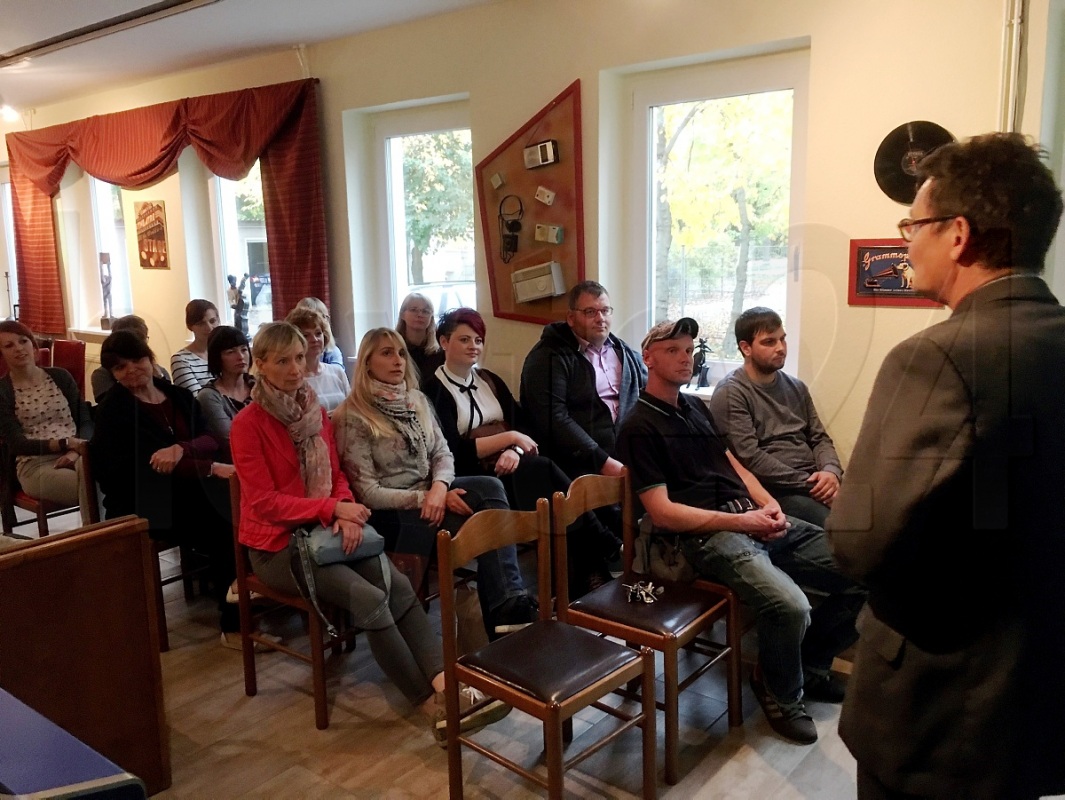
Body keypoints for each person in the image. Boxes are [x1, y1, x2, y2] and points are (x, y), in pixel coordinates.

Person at [826, 133, 1065, 800]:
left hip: (938, 706)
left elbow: (858, 542)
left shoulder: (935, 357)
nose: (905, 242)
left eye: (912, 224)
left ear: (956, 234)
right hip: (1035, 690)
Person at [229, 322, 507, 743]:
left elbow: (338, 476)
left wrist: (341, 513)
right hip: (277, 547)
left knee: (396, 586)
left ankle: (447, 688)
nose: (293, 369)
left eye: (299, 358)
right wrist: (333, 508)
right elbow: (264, 502)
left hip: (327, 529)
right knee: (368, 597)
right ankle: (428, 703)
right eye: (282, 361)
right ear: (260, 364)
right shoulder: (248, 424)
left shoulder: (313, 412)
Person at [616, 317, 863, 746]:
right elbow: (665, 513)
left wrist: (767, 504)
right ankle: (781, 694)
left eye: (688, 349)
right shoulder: (639, 426)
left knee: (864, 569)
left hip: (750, 519)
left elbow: (734, 464)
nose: (684, 357)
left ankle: (811, 666)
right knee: (791, 606)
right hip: (704, 539)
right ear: (648, 358)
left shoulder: (693, 406)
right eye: (672, 350)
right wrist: (743, 521)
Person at [333, 327, 536, 638]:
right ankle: (504, 611)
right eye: (387, 353)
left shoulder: (416, 399)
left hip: (433, 494)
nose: (399, 360)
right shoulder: (353, 414)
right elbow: (368, 492)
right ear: (367, 362)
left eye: (401, 353)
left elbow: (443, 453)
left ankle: (507, 605)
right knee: (485, 526)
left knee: (490, 488)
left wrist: (440, 488)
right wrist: (428, 497)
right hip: (394, 511)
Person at [422, 308, 621, 596]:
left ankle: (582, 578)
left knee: (548, 490)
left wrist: (514, 447)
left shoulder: (488, 380)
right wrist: (511, 438)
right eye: (464, 339)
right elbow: (452, 451)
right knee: (543, 475)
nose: (473, 347)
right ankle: (598, 549)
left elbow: (525, 426)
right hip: (471, 477)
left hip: (509, 466)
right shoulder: (434, 390)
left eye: (478, 340)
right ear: (443, 342)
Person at [90, 330, 240, 647]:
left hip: (187, 488)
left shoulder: (178, 397)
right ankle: (233, 623)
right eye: (120, 367)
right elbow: (140, 468)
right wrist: (204, 465)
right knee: (225, 519)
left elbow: (209, 440)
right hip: (142, 501)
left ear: (149, 357)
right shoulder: (112, 412)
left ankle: (246, 595)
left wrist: (180, 449)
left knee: (238, 505)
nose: (132, 370)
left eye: (137, 360)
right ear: (112, 374)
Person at [708, 307, 842, 527]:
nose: (781, 348)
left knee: (881, 515)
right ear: (745, 348)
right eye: (769, 342)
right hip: (775, 491)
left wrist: (831, 472)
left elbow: (819, 438)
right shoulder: (731, 393)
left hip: (814, 482)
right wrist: (812, 485)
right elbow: (750, 457)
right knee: (844, 529)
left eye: (783, 339)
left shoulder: (796, 387)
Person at [520, 280, 646, 481]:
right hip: (578, 464)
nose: (600, 318)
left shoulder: (625, 352)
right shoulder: (548, 357)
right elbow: (554, 419)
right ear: (571, 318)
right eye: (590, 312)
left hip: (630, 452)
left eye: (605, 311)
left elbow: (648, 396)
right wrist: (601, 460)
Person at [0, 321, 92, 524]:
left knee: (102, 476)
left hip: (77, 455)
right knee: (93, 485)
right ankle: (102, 543)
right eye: (9, 346)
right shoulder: (3, 391)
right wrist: (64, 443)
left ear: (33, 345)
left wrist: (75, 450)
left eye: (23, 341)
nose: (18, 348)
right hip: (35, 465)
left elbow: (85, 421)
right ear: (2, 354)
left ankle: (101, 542)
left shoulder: (60, 376)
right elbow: (17, 444)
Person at [197, 326, 254, 461]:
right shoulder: (209, 396)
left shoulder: (259, 386)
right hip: (233, 466)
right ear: (217, 357)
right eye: (230, 352)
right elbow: (231, 440)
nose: (240, 356)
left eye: (244, 350)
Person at [90, 314, 171, 403]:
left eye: (141, 340)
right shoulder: (102, 374)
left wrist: (159, 376)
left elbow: (171, 399)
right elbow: (109, 407)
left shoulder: (160, 371)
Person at [285, 307, 349, 412]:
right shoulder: (294, 379)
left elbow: (350, 408)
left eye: (318, 333)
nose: (315, 339)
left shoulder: (337, 372)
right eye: (306, 335)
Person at [171, 299, 220, 396]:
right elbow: (197, 400)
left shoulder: (225, 353)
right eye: (201, 324)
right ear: (190, 327)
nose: (209, 328)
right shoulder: (181, 359)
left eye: (212, 321)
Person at [396, 292, 443, 380]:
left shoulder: (440, 351)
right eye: (413, 309)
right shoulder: (394, 347)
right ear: (402, 314)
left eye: (425, 311)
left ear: (431, 317)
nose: (419, 315)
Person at [296, 297, 343, 366]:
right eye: (306, 335)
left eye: (324, 317)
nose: (314, 339)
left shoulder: (332, 352)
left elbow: (336, 373)